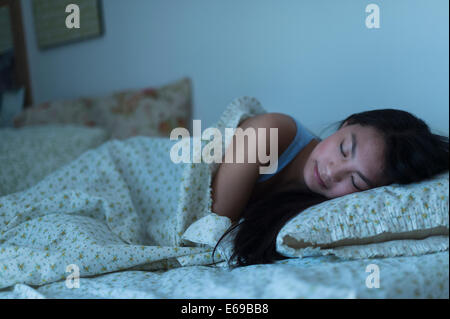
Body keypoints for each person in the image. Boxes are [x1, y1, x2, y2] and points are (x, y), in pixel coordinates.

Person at [211, 109, 449, 267]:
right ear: (347, 124)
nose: (332, 172)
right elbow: (210, 223)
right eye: (344, 149)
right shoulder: (272, 131)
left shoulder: (314, 214)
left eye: (356, 181)